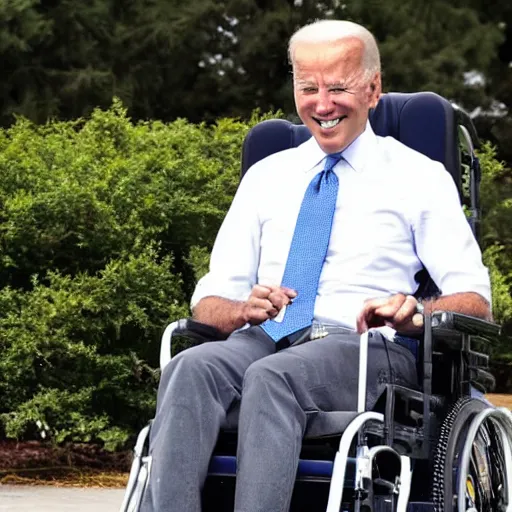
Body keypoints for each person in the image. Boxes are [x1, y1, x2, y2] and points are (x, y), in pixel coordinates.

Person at [140, 19, 491, 512]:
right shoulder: (267, 177)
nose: (322, 104)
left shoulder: (418, 177)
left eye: (338, 87)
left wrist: (412, 311)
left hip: (364, 347)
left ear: (373, 89)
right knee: (189, 367)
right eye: (308, 88)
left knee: (272, 378)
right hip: (265, 337)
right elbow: (208, 304)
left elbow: (476, 300)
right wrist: (244, 309)